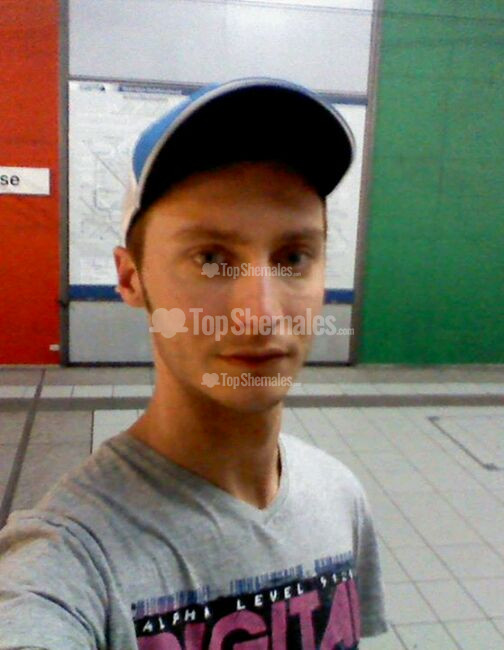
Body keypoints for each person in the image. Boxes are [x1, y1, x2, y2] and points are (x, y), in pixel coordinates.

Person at [0, 77, 388, 649]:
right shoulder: (70, 558)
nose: (261, 314)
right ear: (131, 278)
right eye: (210, 258)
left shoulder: (340, 498)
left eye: (293, 257)